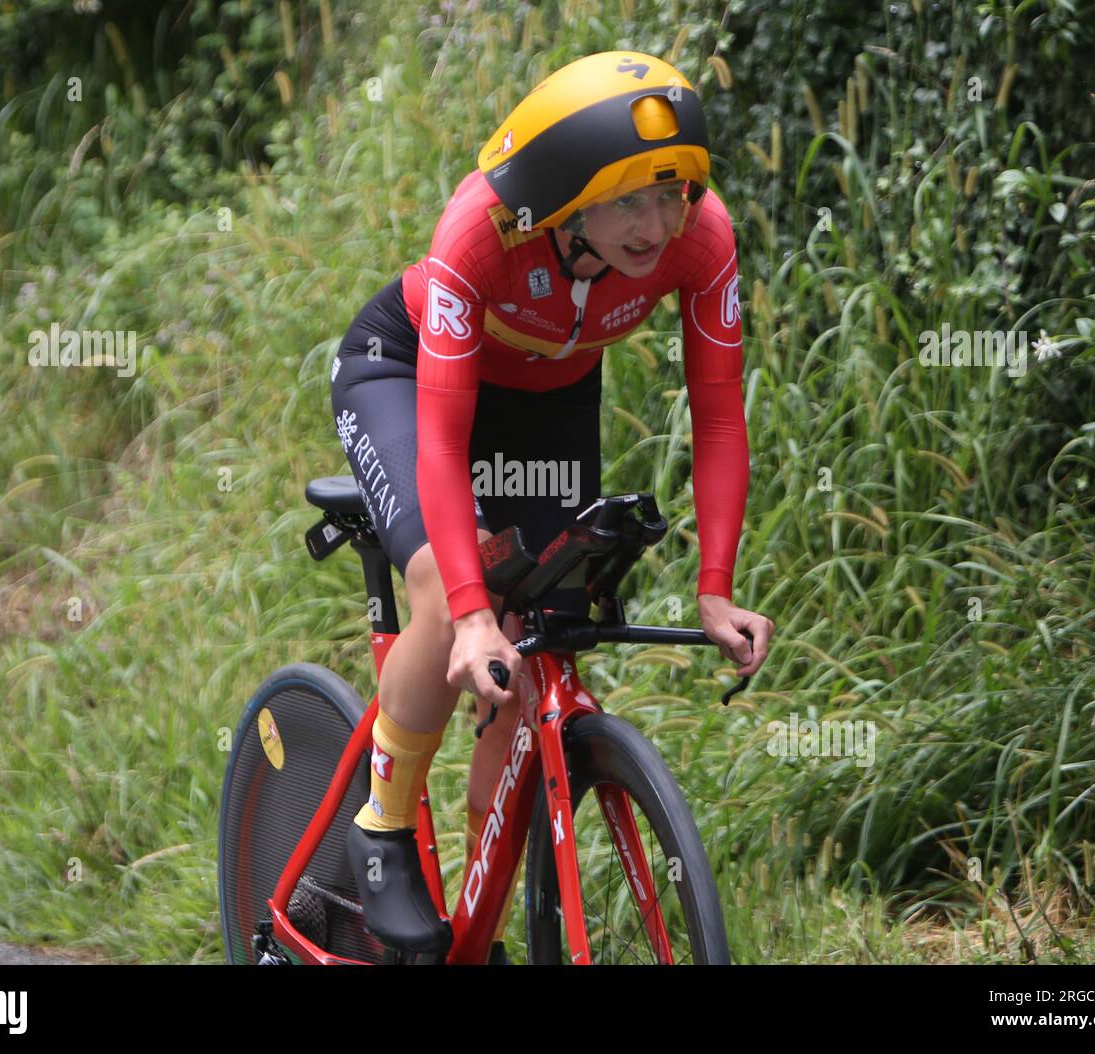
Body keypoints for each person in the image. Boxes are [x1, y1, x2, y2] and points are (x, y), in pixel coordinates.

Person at [330, 50, 774, 964]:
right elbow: (445, 445)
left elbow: (721, 419)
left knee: (538, 653)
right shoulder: (481, 232)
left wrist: (716, 587)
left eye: (672, 194)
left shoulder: (704, 237)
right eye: (627, 202)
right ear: (567, 199)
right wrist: (466, 613)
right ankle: (382, 820)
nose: (656, 226)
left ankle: (476, 915)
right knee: (444, 591)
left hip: (550, 401)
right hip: (409, 373)